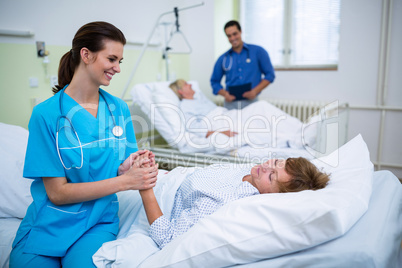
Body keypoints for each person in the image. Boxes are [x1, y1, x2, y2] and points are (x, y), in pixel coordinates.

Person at [10, 22, 158, 268]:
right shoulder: (46, 114)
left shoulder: (118, 108)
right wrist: (125, 181)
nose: (117, 68)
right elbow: (57, 193)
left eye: (120, 61)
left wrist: (132, 165)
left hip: (97, 222)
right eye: (112, 59)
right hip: (50, 223)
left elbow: (123, 164)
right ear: (86, 55)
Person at [139, 157, 330, 249]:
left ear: (274, 196)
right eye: (276, 161)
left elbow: (168, 238)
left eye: (272, 176)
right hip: (168, 177)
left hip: (155, 194)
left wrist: (145, 188)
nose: (266, 166)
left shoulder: (223, 201)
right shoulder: (252, 173)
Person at [169, 79, 302, 153]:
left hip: (227, 114)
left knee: (261, 106)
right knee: (255, 124)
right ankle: (292, 139)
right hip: (218, 123)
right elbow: (195, 128)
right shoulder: (185, 106)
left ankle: (299, 129)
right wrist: (221, 132)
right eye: (186, 84)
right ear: (181, 91)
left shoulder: (198, 98)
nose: (191, 84)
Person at [210, 20, 275, 110]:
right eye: (229, 36)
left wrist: (255, 91)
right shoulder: (223, 58)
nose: (232, 38)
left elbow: (270, 75)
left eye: (235, 34)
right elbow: (214, 81)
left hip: (252, 102)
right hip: (230, 104)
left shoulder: (258, 52)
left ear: (241, 32)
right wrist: (225, 94)